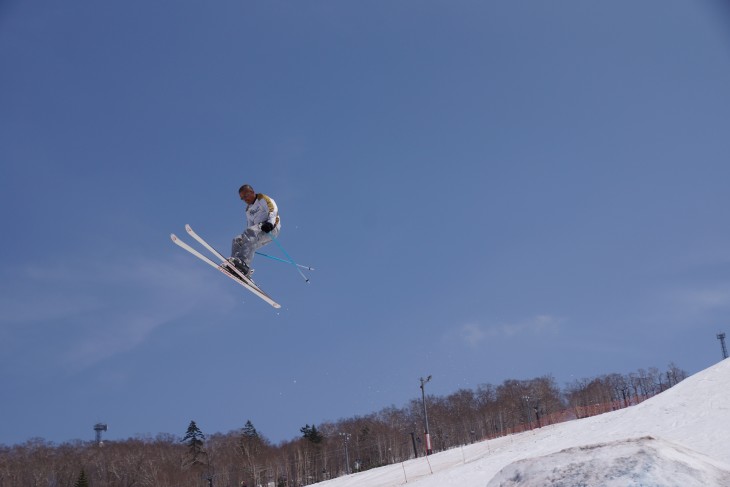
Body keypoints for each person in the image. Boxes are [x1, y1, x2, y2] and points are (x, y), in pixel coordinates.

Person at [227, 184, 281, 278]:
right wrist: (246, 242)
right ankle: (235, 263)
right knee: (237, 240)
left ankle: (243, 264)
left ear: (252, 192)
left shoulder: (262, 199)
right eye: (242, 198)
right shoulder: (248, 210)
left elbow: (273, 210)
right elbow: (250, 226)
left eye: (246, 196)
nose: (245, 199)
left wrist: (270, 223)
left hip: (270, 229)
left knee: (250, 232)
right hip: (257, 231)